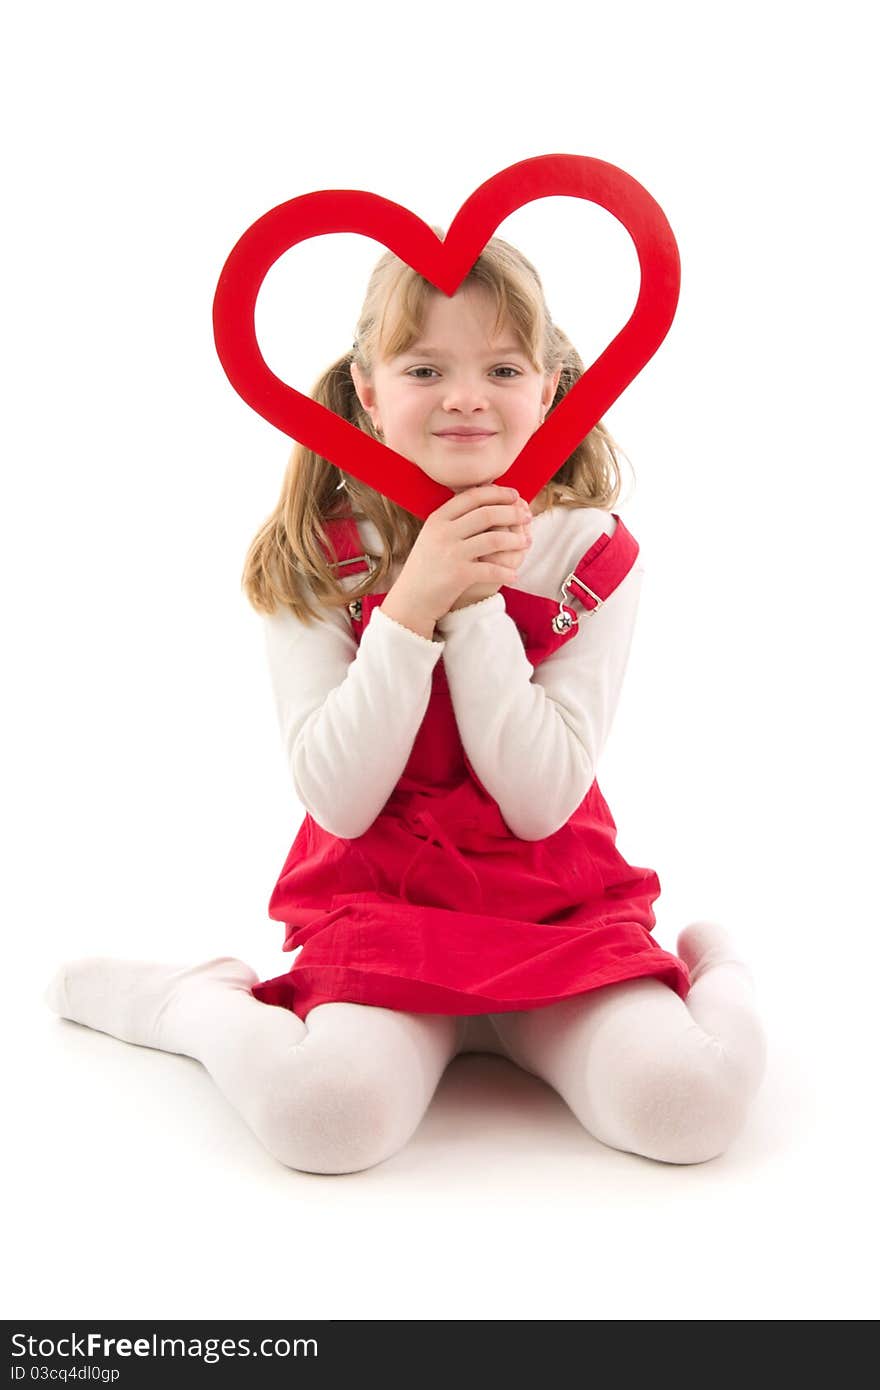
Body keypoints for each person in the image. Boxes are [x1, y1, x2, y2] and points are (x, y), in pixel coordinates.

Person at [44, 234, 767, 1174]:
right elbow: (338, 800)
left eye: (501, 368)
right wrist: (416, 601)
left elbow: (541, 799)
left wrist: (475, 610)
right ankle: (192, 1001)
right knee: (324, 1120)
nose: (466, 394)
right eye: (426, 368)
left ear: (547, 392)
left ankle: (721, 964)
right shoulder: (321, 554)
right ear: (370, 393)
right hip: (385, 906)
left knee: (687, 1110)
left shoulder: (590, 554)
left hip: (555, 909)